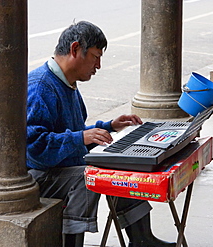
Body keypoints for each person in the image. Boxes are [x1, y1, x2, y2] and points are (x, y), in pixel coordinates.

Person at [26, 20, 175, 247]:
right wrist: (80, 138)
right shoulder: (40, 86)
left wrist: (108, 127)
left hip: (61, 168)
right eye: (95, 57)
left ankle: (142, 239)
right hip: (41, 175)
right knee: (90, 177)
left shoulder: (67, 83)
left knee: (123, 166)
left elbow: (73, 134)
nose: (98, 66)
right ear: (75, 49)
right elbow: (35, 148)